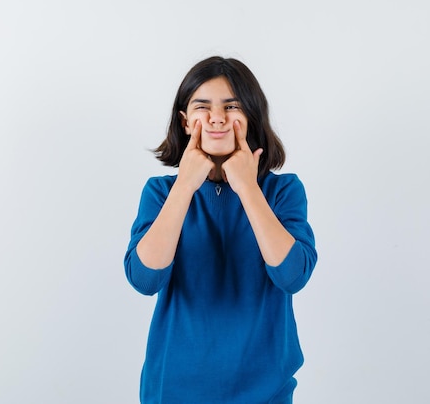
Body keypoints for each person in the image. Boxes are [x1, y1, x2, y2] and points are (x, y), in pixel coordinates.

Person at [124, 56, 317, 404]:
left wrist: (246, 186)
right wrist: (184, 186)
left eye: (232, 106)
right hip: (174, 390)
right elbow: (144, 279)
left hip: (266, 392)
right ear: (185, 121)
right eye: (203, 106)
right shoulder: (161, 193)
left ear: (250, 118)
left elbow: (292, 276)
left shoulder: (284, 191)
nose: (217, 117)